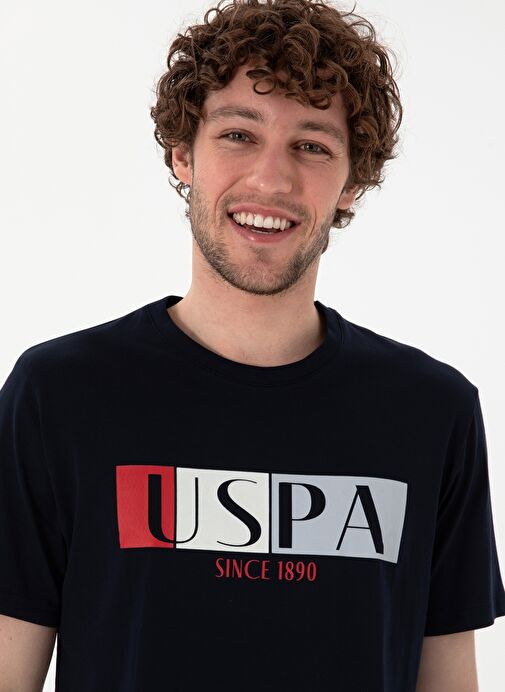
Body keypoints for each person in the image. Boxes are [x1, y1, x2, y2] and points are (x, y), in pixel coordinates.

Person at [0, 0, 504, 690]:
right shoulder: (58, 394)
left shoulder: (431, 412)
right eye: (239, 134)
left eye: (311, 145)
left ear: (353, 181)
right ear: (184, 154)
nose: (270, 179)